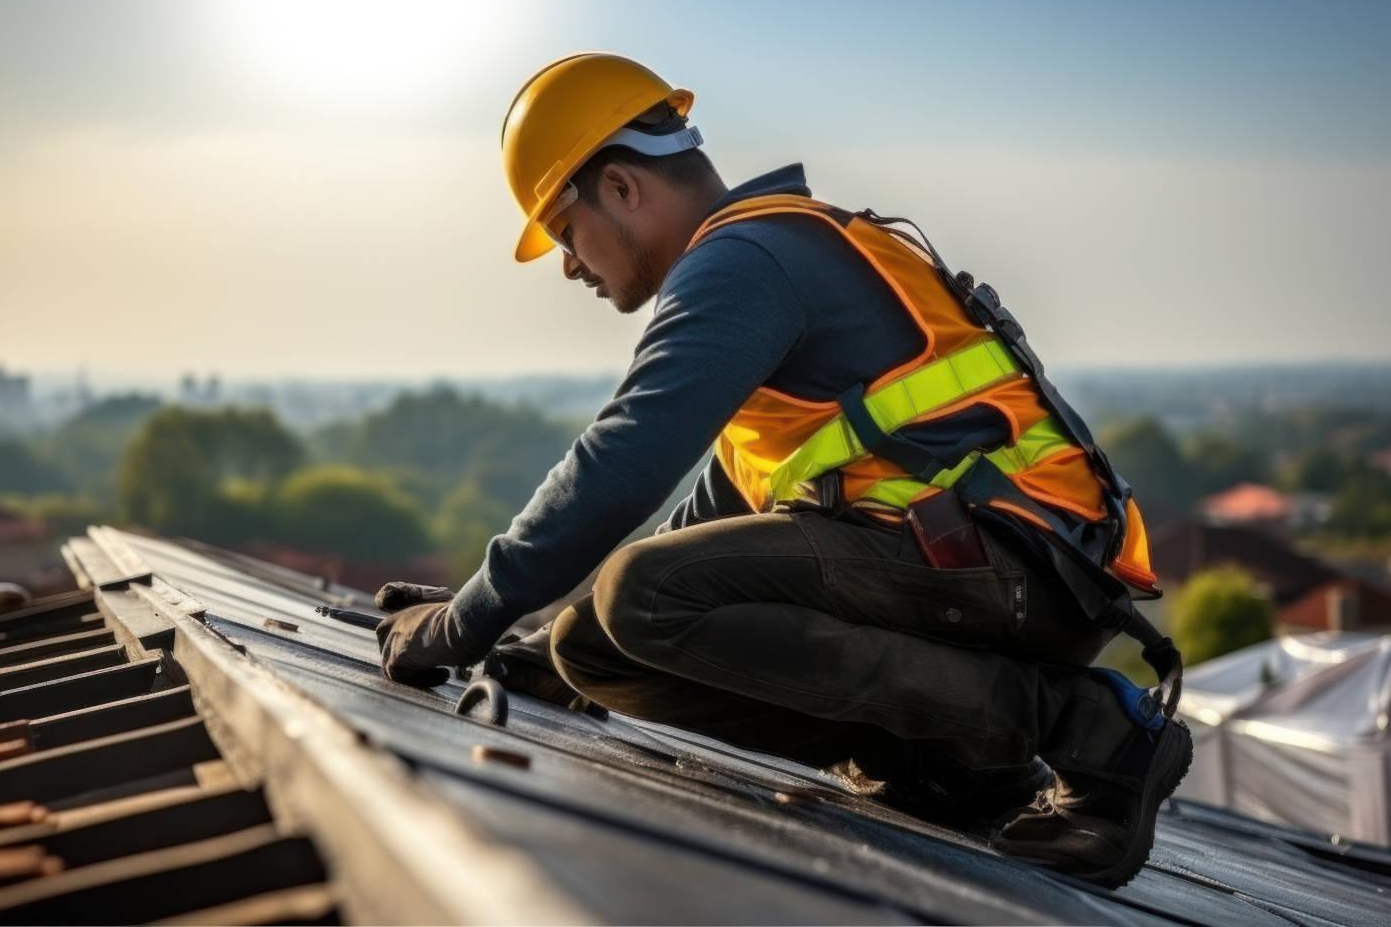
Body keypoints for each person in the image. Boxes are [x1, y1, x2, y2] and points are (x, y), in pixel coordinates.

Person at [376, 53, 1191, 887]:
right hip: (986, 567)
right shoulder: (766, 259)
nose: (570, 265)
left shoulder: (744, 263)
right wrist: (537, 643)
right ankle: (948, 763)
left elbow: (620, 461)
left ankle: (1090, 731)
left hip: (1016, 562)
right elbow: (711, 523)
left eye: (562, 230)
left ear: (622, 189)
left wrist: (461, 624)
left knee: (643, 596)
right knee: (598, 647)